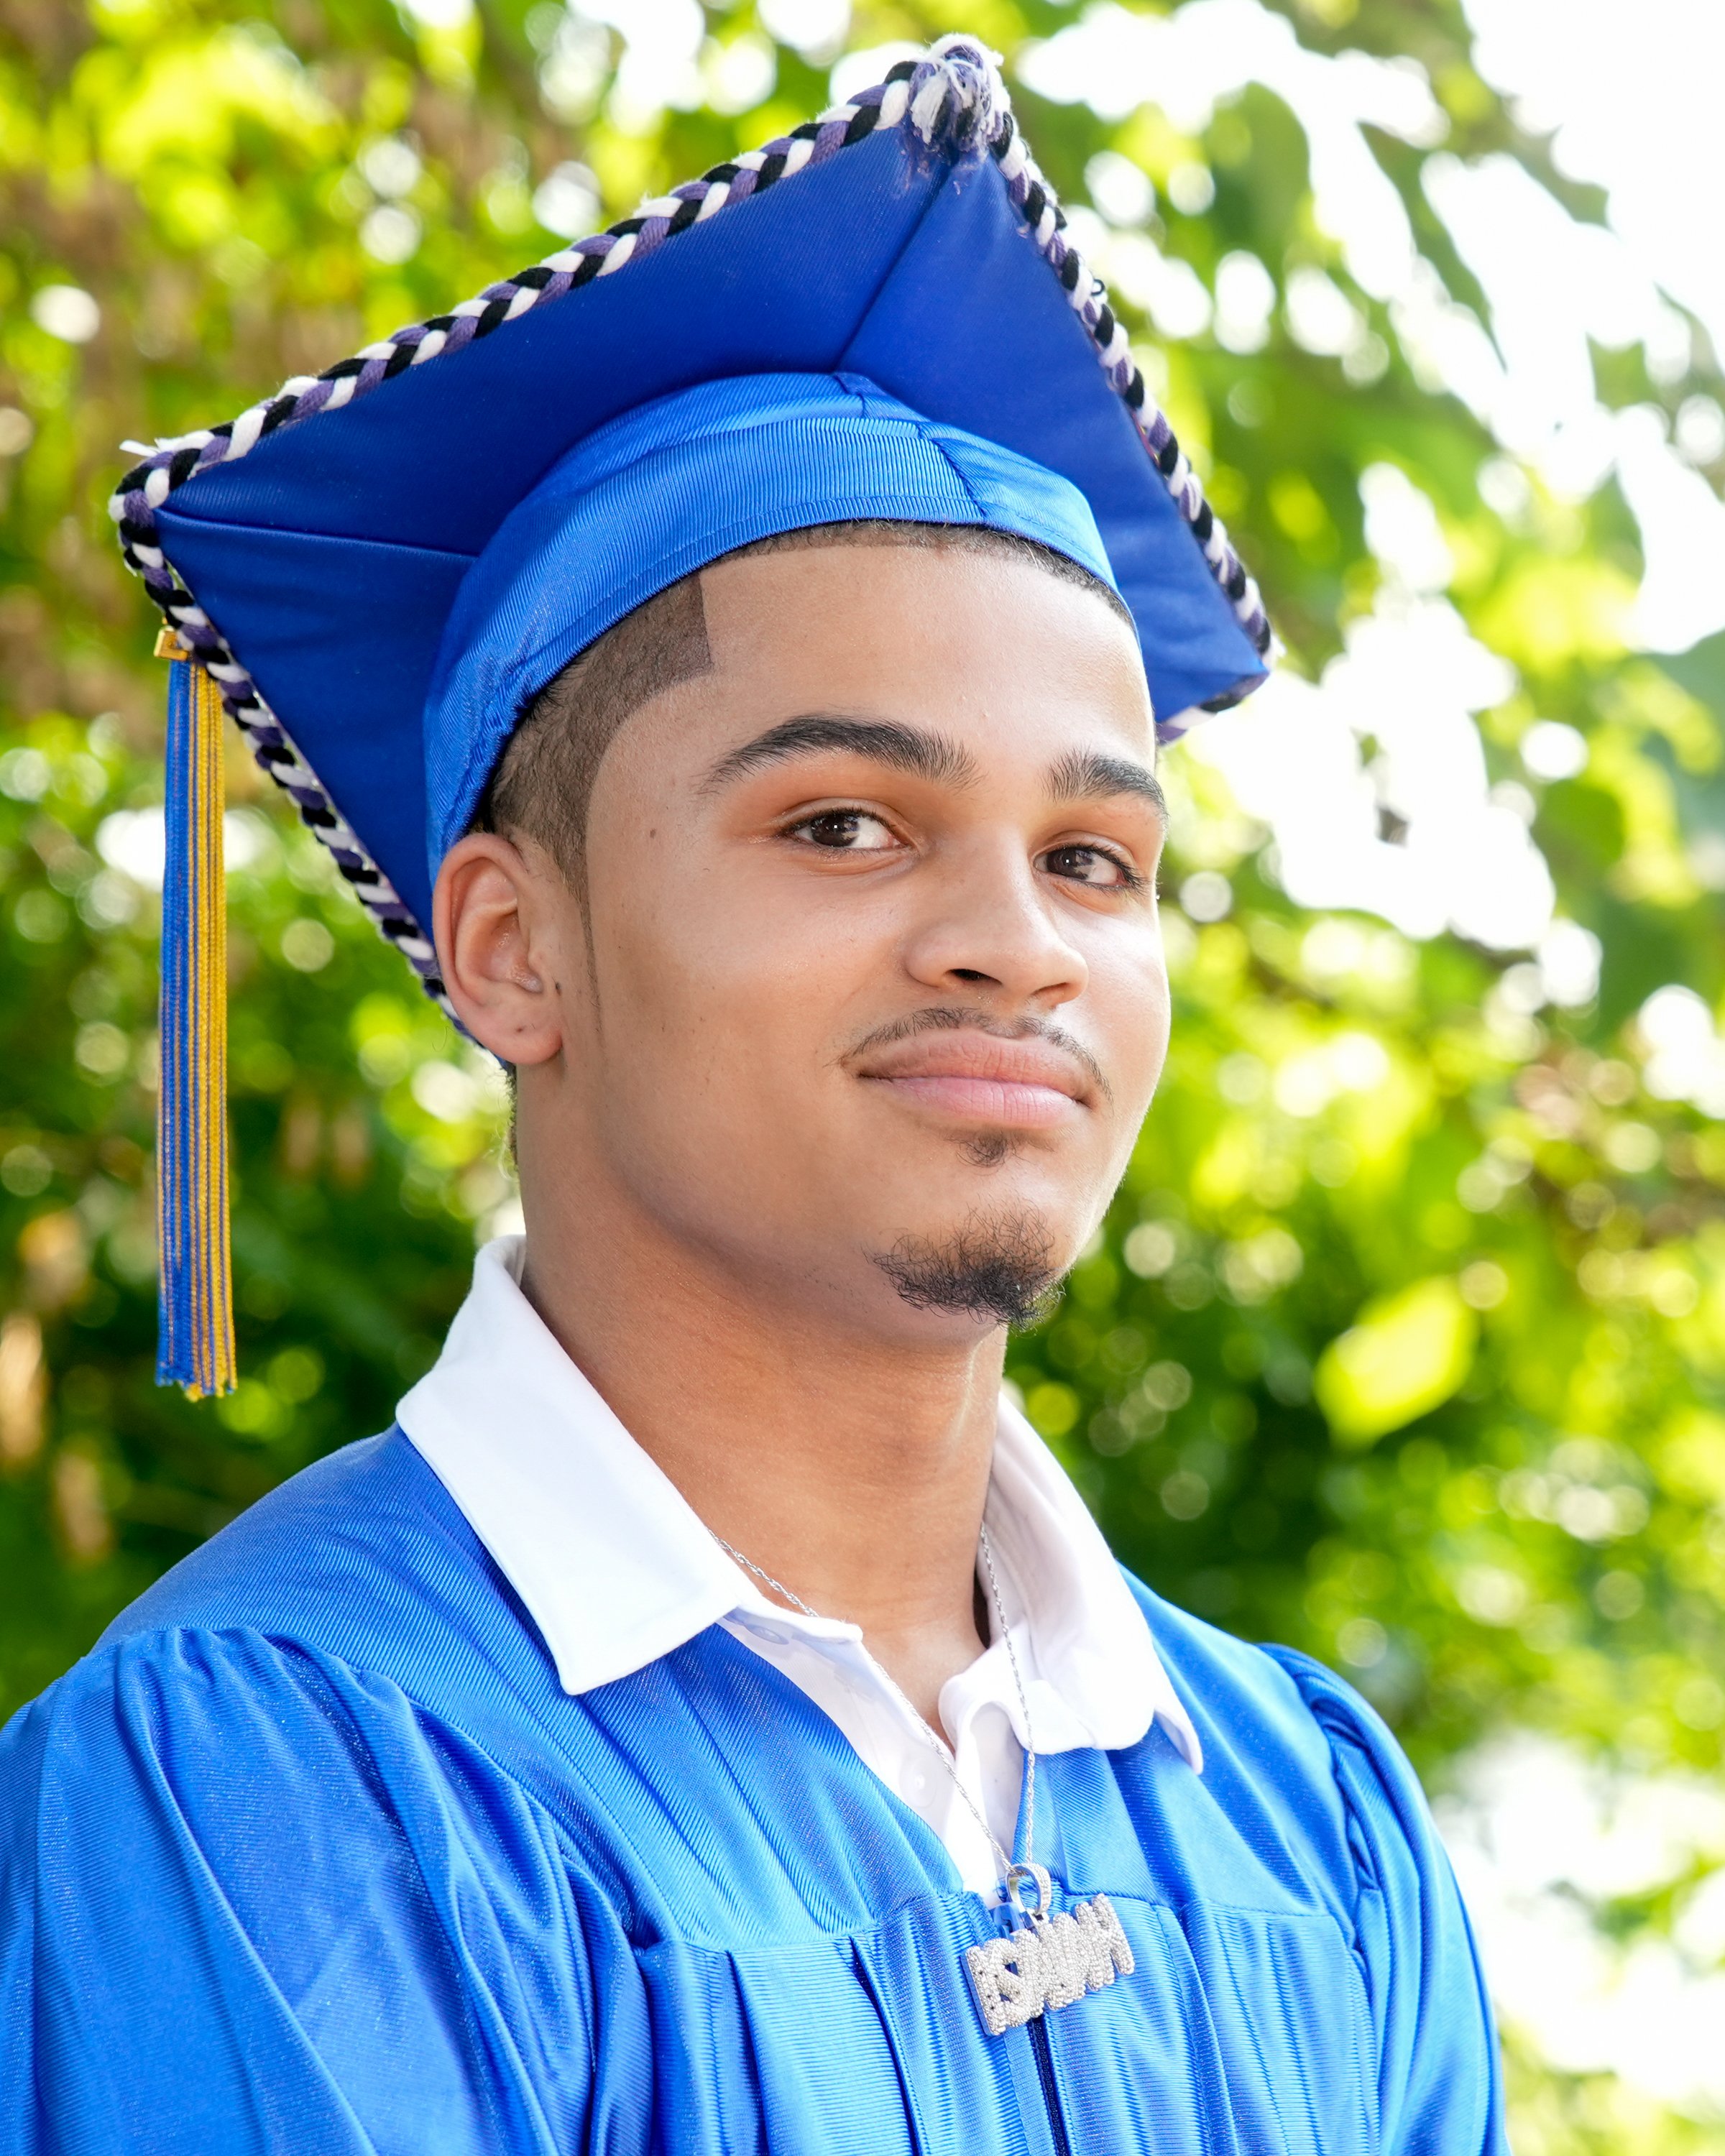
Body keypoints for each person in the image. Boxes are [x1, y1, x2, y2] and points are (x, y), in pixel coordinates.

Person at [0, 39, 1506, 2155]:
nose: (1021, 942)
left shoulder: (1307, 1804)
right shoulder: (275, 1781)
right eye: (844, 826)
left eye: (1095, 860)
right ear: (515, 949)